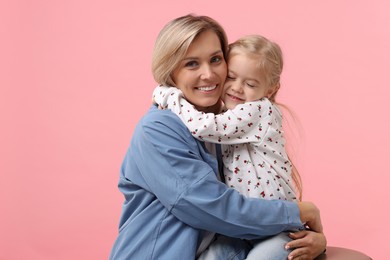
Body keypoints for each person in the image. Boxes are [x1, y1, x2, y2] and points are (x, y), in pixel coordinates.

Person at [110, 14, 326, 260]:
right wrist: (298, 213)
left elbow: (251, 196)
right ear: (170, 71)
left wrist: (307, 239)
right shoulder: (158, 129)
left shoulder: (225, 124)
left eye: (215, 59)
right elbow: (212, 208)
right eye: (192, 64)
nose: (209, 74)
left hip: (223, 247)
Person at [152, 34, 308, 259]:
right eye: (231, 77)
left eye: (250, 84)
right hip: (243, 228)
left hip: (276, 225)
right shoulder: (229, 115)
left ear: (272, 89)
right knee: (213, 255)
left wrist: (169, 96)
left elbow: (203, 127)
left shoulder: (258, 111)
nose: (237, 88)